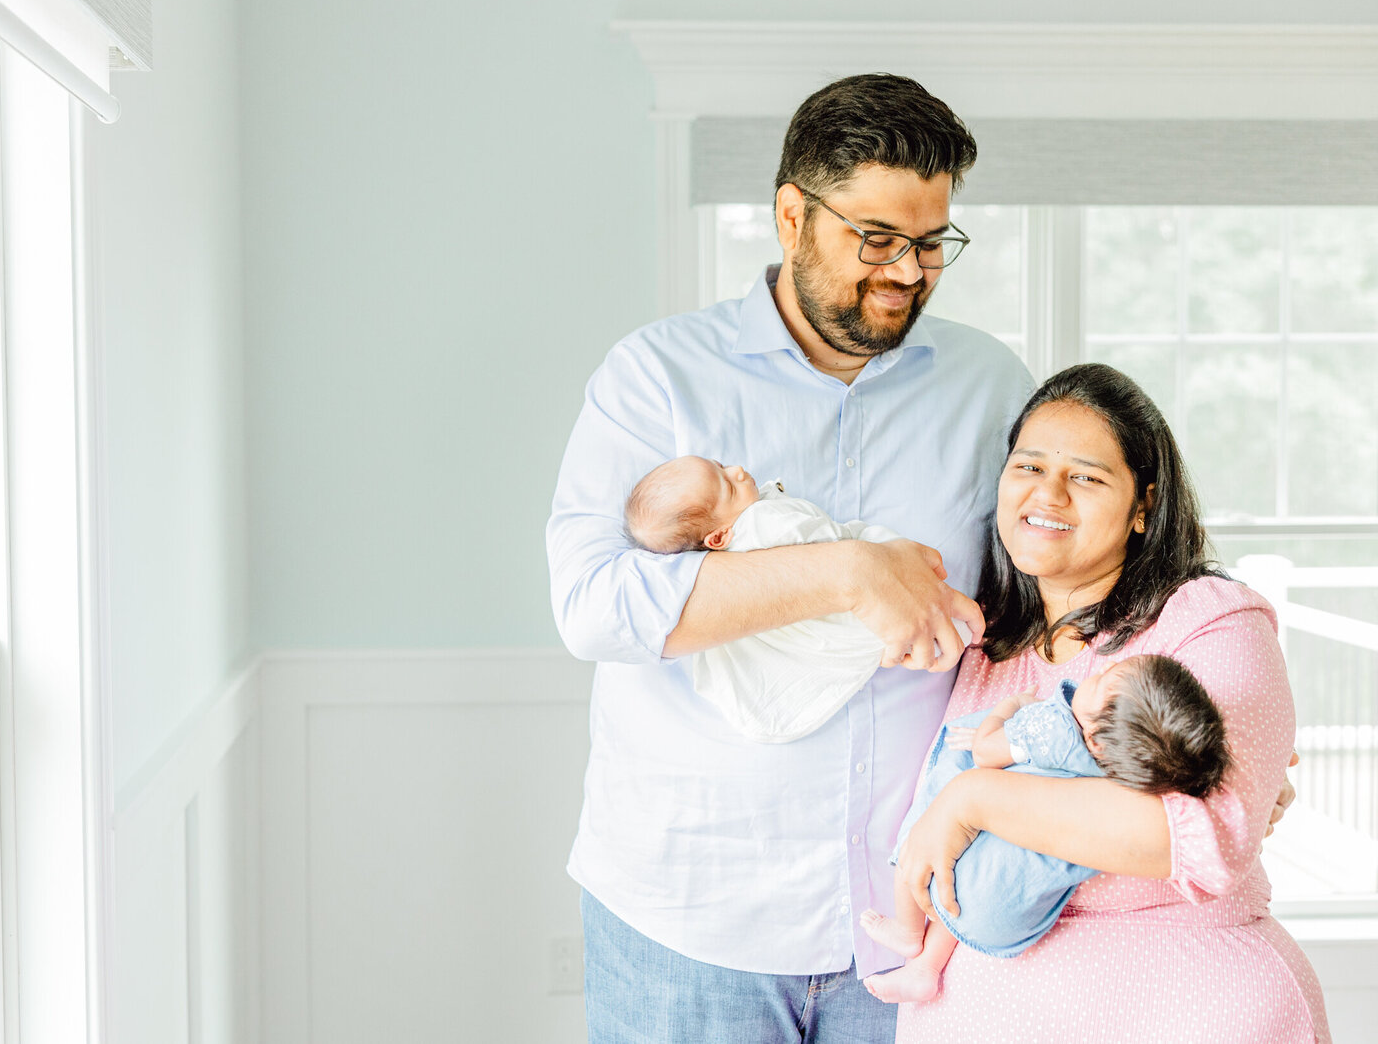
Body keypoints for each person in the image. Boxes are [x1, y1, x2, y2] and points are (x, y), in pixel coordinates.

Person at [547, 73, 1036, 1043]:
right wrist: (850, 570)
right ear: (789, 215)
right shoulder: (657, 379)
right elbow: (592, 604)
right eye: (878, 239)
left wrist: (1192, 714)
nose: (908, 270)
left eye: (933, 241)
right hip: (685, 923)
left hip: (911, 924)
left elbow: (1062, 589)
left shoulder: (990, 387)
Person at [890, 363, 1329, 1042]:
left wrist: (972, 801)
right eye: (1028, 466)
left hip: (1185, 1016)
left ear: (1144, 505)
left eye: (1086, 476)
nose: (1048, 493)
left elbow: (1193, 838)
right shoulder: (984, 641)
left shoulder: (1207, 620)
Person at [859, 654, 1230, 1004]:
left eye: (1102, 679)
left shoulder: (1052, 730)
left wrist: (1012, 708)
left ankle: (908, 934)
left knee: (920, 840)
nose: (1102, 668)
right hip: (1011, 909)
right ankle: (925, 969)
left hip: (966, 880)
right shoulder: (1128, 779)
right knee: (973, 873)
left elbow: (985, 753)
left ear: (1098, 741)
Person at [625, 455, 904, 743]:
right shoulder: (765, 522)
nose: (739, 472)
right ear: (718, 538)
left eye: (721, 466)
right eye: (730, 486)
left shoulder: (725, 557)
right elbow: (833, 543)